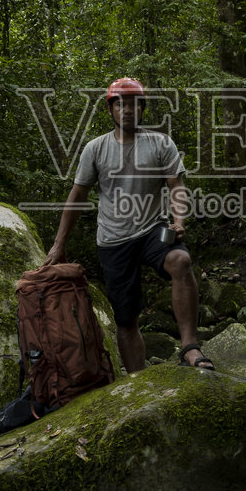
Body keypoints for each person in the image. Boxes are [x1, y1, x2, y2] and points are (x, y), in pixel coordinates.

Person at [43, 77, 214, 373]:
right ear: (111, 110)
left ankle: (189, 346)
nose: (127, 110)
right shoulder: (95, 149)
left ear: (142, 108)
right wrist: (59, 245)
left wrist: (178, 221)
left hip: (152, 229)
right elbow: (77, 196)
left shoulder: (160, 143)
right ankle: (138, 381)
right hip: (113, 239)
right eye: (120, 104)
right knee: (126, 318)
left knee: (181, 260)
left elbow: (177, 186)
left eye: (134, 104)